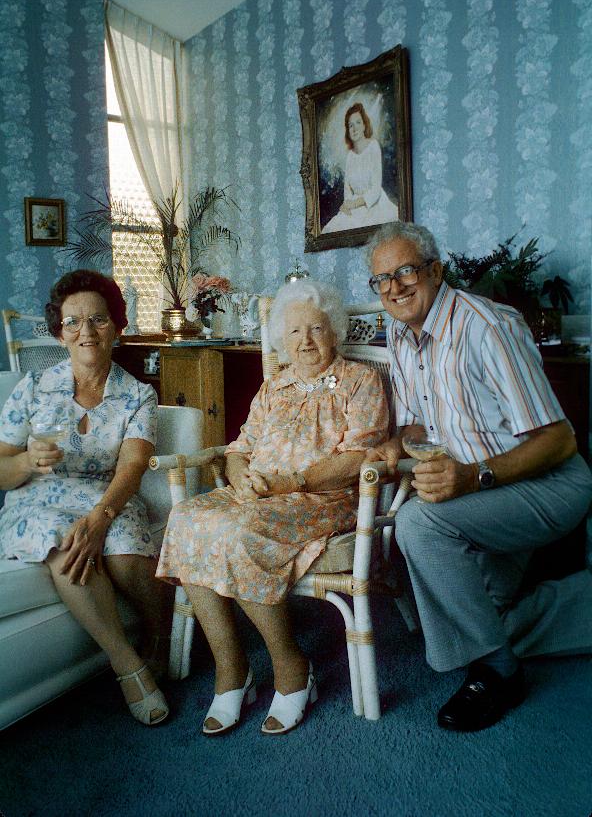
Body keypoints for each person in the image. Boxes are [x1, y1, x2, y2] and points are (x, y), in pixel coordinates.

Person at [365, 221, 592, 732]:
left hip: (550, 484)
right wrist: (393, 444)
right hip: (489, 489)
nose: (395, 288)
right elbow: (419, 420)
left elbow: (561, 442)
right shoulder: (400, 333)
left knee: (420, 526)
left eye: (406, 271)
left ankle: (497, 670)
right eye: (382, 279)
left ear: (435, 270)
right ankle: (564, 609)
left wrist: (472, 478)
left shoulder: (487, 326)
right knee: (482, 611)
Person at [157, 279, 388, 735]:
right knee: (186, 519)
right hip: (259, 494)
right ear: (283, 338)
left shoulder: (361, 382)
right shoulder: (274, 387)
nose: (305, 341)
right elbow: (241, 446)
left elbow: (359, 458)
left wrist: (289, 481)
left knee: (241, 531)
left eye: (316, 329)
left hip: (324, 499)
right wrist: (242, 473)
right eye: (295, 332)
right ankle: (232, 671)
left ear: (334, 332)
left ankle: (291, 667)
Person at [0, 269, 171, 726]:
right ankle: (128, 666)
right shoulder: (34, 388)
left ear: (117, 325)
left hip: (109, 494)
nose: (86, 332)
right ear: (59, 333)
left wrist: (101, 518)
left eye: (98, 319)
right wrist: (25, 463)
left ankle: (159, 637)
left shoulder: (138, 395)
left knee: (127, 554)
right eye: (73, 322)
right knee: (66, 545)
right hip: (41, 498)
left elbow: (132, 466)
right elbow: (2, 468)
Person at [322, 101, 398, 234]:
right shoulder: (350, 156)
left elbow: (376, 190)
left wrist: (355, 203)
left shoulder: (373, 146)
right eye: (350, 125)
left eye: (358, 123)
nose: (354, 128)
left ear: (364, 125)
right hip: (353, 207)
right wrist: (347, 205)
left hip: (374, 205)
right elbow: (347, 191)